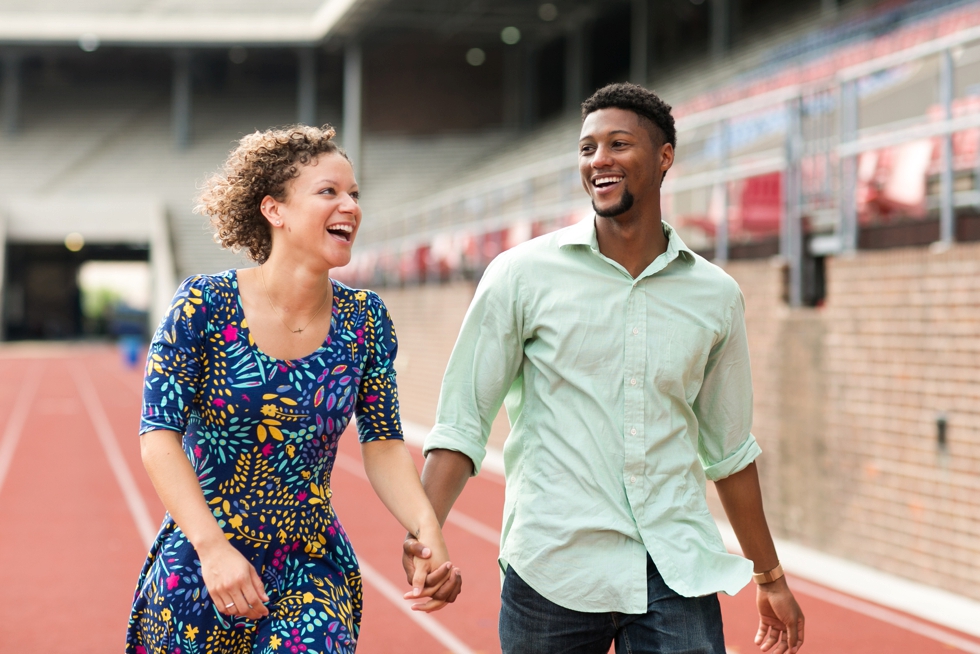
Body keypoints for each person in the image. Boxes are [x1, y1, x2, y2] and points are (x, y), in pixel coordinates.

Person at [403, 83, 805, 654]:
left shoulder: (717, 296)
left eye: (618, 144)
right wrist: (425, 532)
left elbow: (730, 450)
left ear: (664, 157)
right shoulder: (519, 276)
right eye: (588, 148)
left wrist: (770, 575)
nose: (599, 161)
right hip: (554, 567)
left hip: (676, 568)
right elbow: (463, 421)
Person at [128, 125, 459, 654]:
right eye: (328, 191)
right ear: (274, 210)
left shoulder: (365, 320)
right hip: (201, 565)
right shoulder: (203, 305)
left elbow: (384, 444)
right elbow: (158, 438)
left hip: (311, 566)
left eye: (354, 194)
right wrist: (212, 549)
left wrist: (427, 527)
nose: (349, 204)